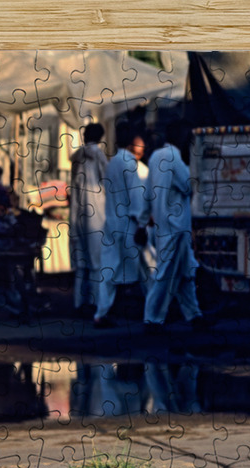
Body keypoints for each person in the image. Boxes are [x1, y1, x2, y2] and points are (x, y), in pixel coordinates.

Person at [143, 123, 206, 333]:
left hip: (165, 224)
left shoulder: (154, 158)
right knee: (166, 272)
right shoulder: (174, 157)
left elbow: (149, 192)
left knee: (185, 271)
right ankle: (151, 319)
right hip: (175, 225)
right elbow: (188, 185)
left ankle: (194, 315)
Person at [93, 127, 149, 328]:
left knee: (108, 270)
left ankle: (101, 313)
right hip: (128, 224)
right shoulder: (129, 164)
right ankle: (155, 311)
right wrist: (142, 224)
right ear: (132, 145)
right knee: (146, 267)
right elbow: (135, 197)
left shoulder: (112, 163)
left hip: (112, 223)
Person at [68, 123, 108, 315]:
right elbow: (108, 182)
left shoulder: (77, 157)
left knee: (81, 264)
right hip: (97, 217)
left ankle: (77, 303)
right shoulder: (98, 156)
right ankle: (94, 305)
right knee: (96, 263)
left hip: (77, 216)